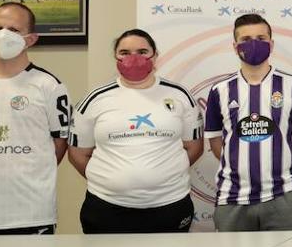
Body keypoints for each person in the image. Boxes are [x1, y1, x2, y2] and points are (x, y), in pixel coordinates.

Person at [68, 29, 203, 233]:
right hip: (106, 207)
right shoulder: (94, 99)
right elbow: (78, 153)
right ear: (115, 57)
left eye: (142, 51)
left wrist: (164, 176)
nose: (134, 58)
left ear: (155, 56)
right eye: (125, 52)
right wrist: (110, 181)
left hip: (170, 205)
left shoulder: (180, 95)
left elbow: (194, 147)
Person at [0, 3, 70, 234]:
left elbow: (59, 143)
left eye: (13, 29)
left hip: (30, 214)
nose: (4, 34)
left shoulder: (49, 86)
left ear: (31, 39)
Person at [204, 14, 292, 231]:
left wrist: (277, 153)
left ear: (271, 44)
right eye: (246, 39)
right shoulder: (220, 91)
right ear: (235, 47)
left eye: (261, 38)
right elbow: (216, 142)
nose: (253, 44)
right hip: (233, 197)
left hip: (284, 194)